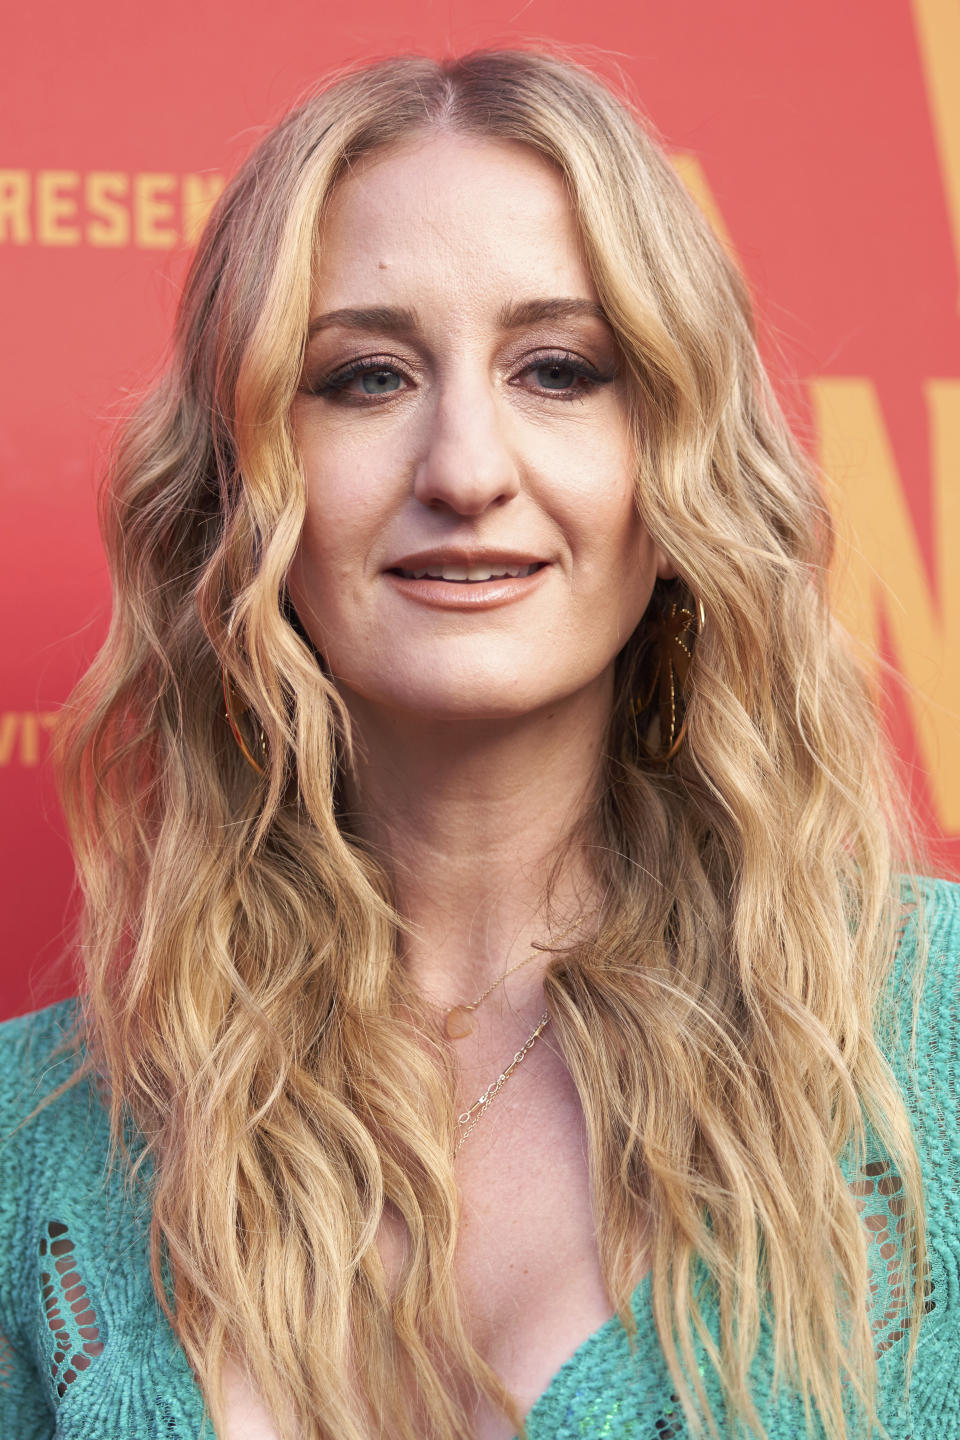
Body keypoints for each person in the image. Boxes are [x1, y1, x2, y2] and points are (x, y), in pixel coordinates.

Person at [0, 46, 957, 1440]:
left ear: (675, 454)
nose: (464, 467)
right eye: (366, 378)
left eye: (559, 370)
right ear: (235, 484)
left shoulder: (932, 1039)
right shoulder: (35, 1155)